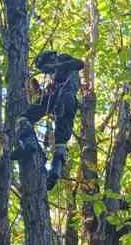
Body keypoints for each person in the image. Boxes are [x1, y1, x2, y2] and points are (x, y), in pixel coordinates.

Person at [11, 50, 84, 190]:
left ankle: (32, 146)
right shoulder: (57, 75)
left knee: (25, 119)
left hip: (64, 98)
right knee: (60, 140)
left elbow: (79, 64)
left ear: (51, 59)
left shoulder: (63, 59)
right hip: (61, 100)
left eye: (45, 68)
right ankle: (53, 172)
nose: (47, 73)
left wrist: (57, 67)